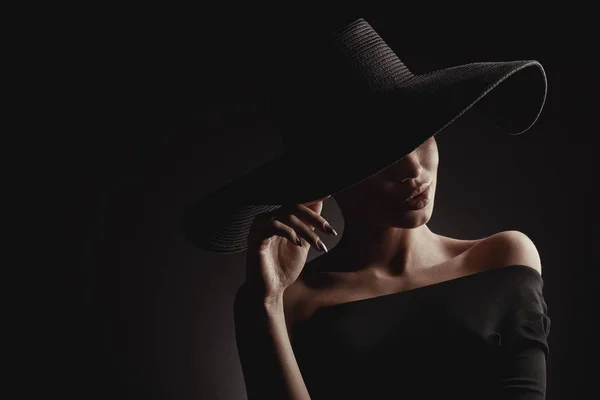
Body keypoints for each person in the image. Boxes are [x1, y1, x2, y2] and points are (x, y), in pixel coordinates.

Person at [180, 18, 551, 399]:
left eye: (420, 137)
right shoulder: (288, 301)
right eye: (380, 155)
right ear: (327, 178)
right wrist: (266, 302)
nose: (413, 171)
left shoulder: (503, 257)